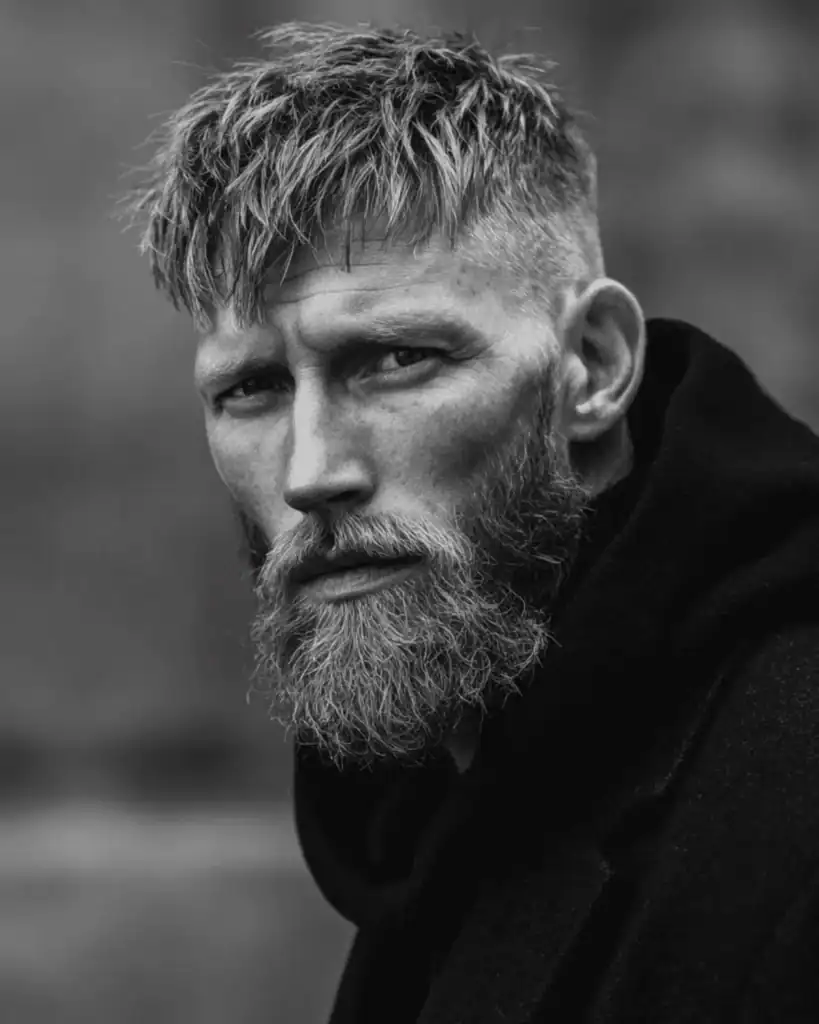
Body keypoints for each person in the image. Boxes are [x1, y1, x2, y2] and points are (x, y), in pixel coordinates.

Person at [126, 23, 819, 1023]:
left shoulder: (790, 804)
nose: (313, 470)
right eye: (252, 390)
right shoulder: (430, 791)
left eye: (395, 360)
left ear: (592, 367)